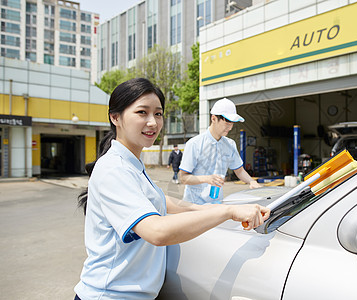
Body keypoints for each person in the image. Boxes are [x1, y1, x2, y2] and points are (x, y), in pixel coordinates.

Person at [74, 78, 270, 300]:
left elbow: (164, 202)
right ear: (115, 117)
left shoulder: (132, 164)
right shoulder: (114, 169)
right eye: (142, 112)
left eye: (158, 114)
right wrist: (226, 212)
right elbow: (157, 231)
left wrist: (217, 210)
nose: (153, 122)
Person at [179, 97, 261, 205]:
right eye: (227, 122)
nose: (230, 127)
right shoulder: (195, 144)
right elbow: (183, 178)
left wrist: (252, 182)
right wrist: (207, 179)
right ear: (213, 118)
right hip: (194, 206)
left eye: (232, 123)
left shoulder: (230, 145)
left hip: (217, 204)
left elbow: (239, 171)